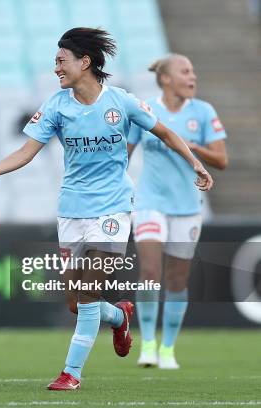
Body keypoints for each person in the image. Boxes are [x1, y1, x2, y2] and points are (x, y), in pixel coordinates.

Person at [0, 28, 213, 391]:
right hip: (72, 210)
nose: (56, 69)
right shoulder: (56, 105)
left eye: (61, 61)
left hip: (112, 209)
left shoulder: (121, 102)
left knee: (90, 291)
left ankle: (71, 373)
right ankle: (120, 316)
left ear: (85, 62)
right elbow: (26, 152)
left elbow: (166, 133)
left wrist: (196, 164)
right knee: (76, 302)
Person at [128, 54, 228, 370]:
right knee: (149, 272)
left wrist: (191, 147)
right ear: (166, 78)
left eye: (193, 72)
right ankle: (146, 344)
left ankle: (168, 349)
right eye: (186, 71)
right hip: (149, 203)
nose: (192, 77)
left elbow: (222, 160)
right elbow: (124, 156)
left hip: (187, 208)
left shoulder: (203, 112)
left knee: (176, 279)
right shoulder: (147, 110)